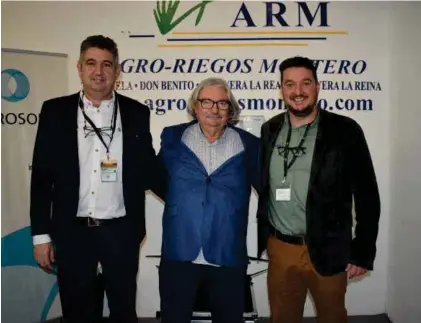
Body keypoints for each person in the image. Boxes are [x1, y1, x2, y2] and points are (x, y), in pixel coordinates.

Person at [30, 35, 164, 323]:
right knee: (78, 312)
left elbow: (148, 169)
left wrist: (190, 194)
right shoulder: (55, 111)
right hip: (72, 231)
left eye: (107, 64)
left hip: (121, 232)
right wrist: (41, 236)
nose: (99, 71)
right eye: (91, 63)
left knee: (123, 310)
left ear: (117, 71)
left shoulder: (136, 112)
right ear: (79, 68)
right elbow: (41, 177)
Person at [257, 56, 381, 323]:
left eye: (305, 83)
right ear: (281, 89)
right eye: (289, 84)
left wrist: (362, 250)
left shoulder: (345, 130)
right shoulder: (270, 129)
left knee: (333, 318)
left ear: (317, 86)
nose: (297, 91)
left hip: (329, 246)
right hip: (281, 248)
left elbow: (367, 194)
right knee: (282, 318)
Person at [157, 77, 261, 323]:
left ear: (231, 110)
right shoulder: (172, 138)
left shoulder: (250, 145)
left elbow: (267, 190)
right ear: (195, 106)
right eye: (207, 102)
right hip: (180, 251)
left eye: (222, 103)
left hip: (228, 254)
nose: (214, 109)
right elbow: (159, 181)